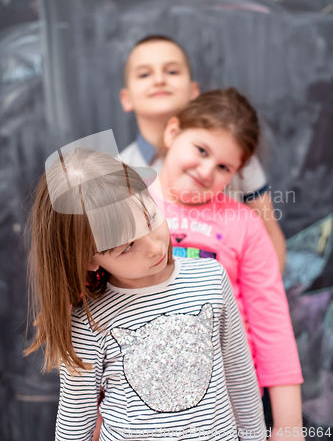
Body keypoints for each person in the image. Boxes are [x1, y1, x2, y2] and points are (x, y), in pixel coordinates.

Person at [25, 145, 266, 441]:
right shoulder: (88, 322)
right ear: (90, 260)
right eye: (127, 247)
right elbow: (76, 419)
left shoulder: (211, 278)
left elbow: (239, 376)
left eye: (151, 218)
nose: (154, 248)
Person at [151, 89, 303, 439]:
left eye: (224, 167)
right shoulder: (126, 207)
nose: (206, 171)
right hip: (139, 406)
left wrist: (289, 427)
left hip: (228, 409)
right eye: (201, 150)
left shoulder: (245, 226)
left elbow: (272, 325)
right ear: (173, 132)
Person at [119, 35, 286, 272]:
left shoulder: (237, 159)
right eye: (144, 74)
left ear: (193, 90)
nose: (158, 80)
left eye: (172, 72)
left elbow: (270, 237)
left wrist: (264, 297)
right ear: (126, 98)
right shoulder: (117, 172)